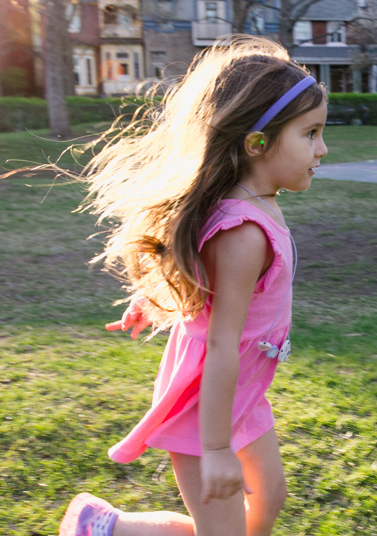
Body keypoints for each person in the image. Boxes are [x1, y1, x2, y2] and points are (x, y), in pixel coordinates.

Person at [58, 36, 328, 536]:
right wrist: (217, 447)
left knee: (268, 501)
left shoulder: (251, 200)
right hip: (212, 398)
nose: (322, 149)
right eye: (310, 134)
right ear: (258, 143)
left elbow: (200, 269)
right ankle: (107, 527)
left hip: (243, 389)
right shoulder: (245, 232)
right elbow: (223, 340)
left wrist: (157, 296)